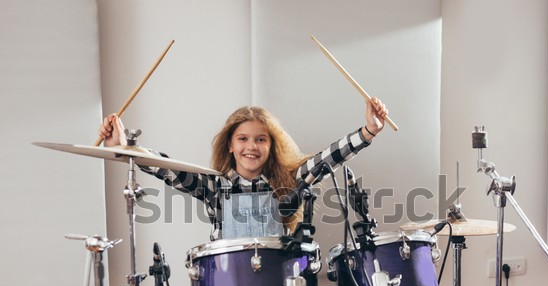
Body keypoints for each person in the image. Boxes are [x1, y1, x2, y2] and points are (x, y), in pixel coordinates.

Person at [98, 97, 388, 241]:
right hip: (229, 283)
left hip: (279, 284)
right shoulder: (213, 186)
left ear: (271, 145)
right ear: (230, 145)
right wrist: (124, 148)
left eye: (261, 139)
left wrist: (368, 131)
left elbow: (329, 158)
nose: (252, 147)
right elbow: (164, 166)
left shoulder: (287, 182)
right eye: (243, 139)